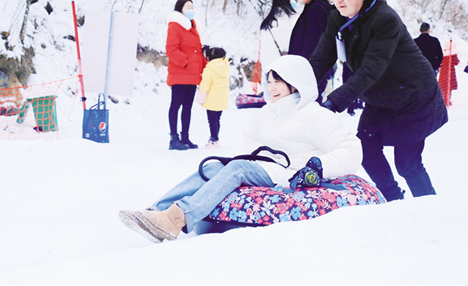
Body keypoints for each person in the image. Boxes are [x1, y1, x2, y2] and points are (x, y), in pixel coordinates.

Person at [119, 55, 362, 243]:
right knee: (213, 167)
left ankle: (177, 218)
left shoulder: (315, 115)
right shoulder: (268, 112)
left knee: (238, 168)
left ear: (296, 82)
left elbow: (351, 149)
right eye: (269, 81)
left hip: (292, 172)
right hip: (267, 166)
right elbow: (250, 136)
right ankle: (156, 211)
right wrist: (261, 156)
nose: (272, 87)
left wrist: (317, 167)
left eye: (278, 81)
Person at [309, 0, 448, 202]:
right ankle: (393, 200)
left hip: (413, 98)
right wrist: (295, 87)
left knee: (408, 164)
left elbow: (371, 69)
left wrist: (333, 102)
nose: (338, 1)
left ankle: (431, 211)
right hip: (380, 97)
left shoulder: (385, 19)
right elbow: (321, 59)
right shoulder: (337, 18)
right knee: (366, 148)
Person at [165, 0, 207, 150]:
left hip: (193, 74)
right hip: (180, 72)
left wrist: (204, 67)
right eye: (187, 6)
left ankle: (185, 137)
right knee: (175, 105)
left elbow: (197, 51)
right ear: (180, 9)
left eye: (192, 6)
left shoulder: (193, 27)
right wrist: (186, 63)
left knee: (188, 107)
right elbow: (171, 49)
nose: (191, 9)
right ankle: (173, 138)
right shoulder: (175, 26)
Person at [288, 0, 332, 103]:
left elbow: (313, 42)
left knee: (308, 106)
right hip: (312, 70)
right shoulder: (313, 8)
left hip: (311, 71)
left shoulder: (316, 9)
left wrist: (306, 70)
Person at [259, 0, 299, 79]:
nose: (294, 1)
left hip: (272, 69)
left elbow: (265, 52)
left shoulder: (267, 23)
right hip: (291, 68)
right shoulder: (296, 19)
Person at [196, 46, 230, 148]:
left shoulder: (209, 70)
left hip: (212, 99)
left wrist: (200, 97)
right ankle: (215, 139)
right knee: (217, 120)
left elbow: (205, 85)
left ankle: (214, 140)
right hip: (222, 98)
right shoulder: (225, 67)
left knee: (212, 121)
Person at [438, 40, 460, 107]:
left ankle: (442, 99)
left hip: (443, 71)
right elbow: (456, 62)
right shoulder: (453, 54)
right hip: (451, 71)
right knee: (449, 87)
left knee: (443, 86)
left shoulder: (442, 53)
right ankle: (447, 100)